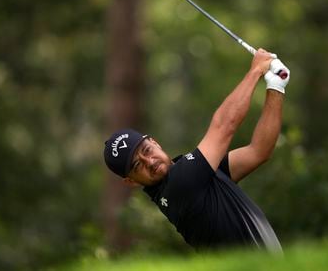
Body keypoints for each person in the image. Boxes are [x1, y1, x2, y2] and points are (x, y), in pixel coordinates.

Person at [104, 48, 290, 253]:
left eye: (146, 150)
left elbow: (259, 151)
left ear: (155, 143)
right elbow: (224, 125)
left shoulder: (195, 176)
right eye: (137, 165)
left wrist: (275, 87)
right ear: (130, 181)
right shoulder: (179, 184)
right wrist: (256, 71)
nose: (149, 161)